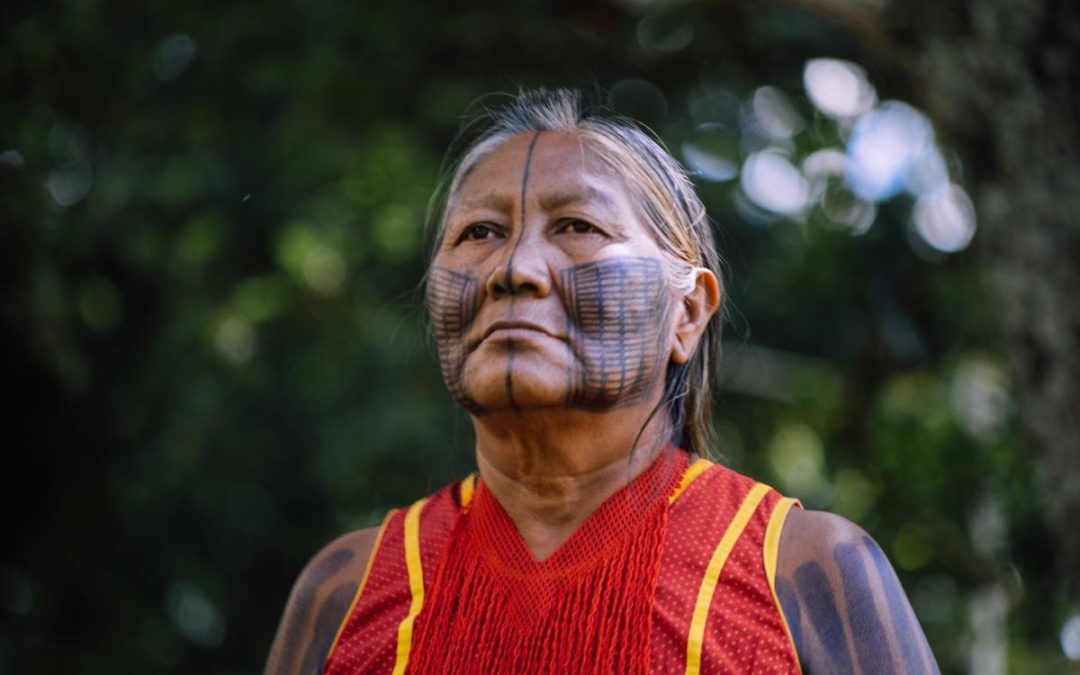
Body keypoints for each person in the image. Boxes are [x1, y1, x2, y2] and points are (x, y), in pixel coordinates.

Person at [264, 89, 940, 674]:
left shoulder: (803, 573)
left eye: (577, 226)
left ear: (687, 312)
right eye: (479, 232)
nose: (514, 269)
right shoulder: (347, 591)